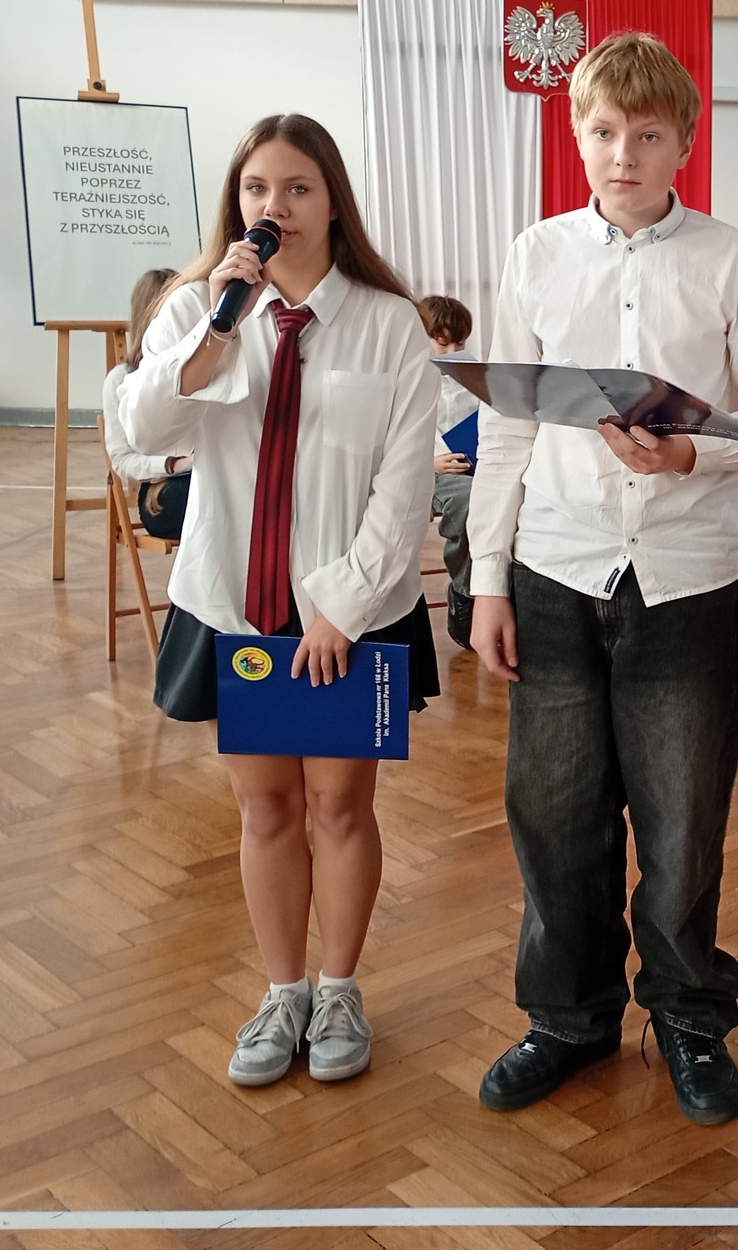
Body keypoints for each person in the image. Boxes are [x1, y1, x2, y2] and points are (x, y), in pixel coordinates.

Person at [466, 33, 738, 1126]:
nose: (623, 154)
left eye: (647, 135)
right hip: (555, 568)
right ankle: (569, 1018)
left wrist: (690, 453)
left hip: (685, 579)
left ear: (682, 145)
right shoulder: (536, 256)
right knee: (554, 817)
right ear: (578, 136)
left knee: (683, 825)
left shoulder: (729, 259)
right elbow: (506, 429)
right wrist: (486, 581)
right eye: (604, 132)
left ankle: (689, 1018)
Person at [120, 113, 441, 1090]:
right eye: (257, 189)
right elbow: (140, 435)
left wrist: (342, 605)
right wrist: (215, 331)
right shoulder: (195, 310)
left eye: (297, 187)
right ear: (236, 204)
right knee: (265, 809)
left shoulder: (387, 323)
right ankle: (282, 991)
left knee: (339, 805)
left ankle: (338, 989)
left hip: (349, 609)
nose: (275, 207)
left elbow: (404, 484)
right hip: (235, 604)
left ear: (332, 201)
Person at [101, 267, 191, 540]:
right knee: (219, 498)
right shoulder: (121, 379)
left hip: (208, 476)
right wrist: (173, 464)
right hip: (163, 491)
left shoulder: (203, 363)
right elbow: (122, 460)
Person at [417, 293, 480, 649]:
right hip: (429, 471)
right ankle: (465, 591)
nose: (452, 351)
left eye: (459, 344)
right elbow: (387, 442)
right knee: (469, 501)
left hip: (474, 466)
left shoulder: (472, 377)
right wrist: (430, 463)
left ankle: (505, 592)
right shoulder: (409, 378)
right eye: (442, 344)